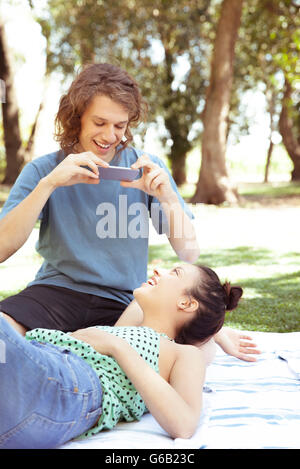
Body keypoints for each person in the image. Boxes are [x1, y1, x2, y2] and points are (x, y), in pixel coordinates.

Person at [0, 62, 199, 336]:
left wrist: (167, 199)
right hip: (55, 292)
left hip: (124, 303)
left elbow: (189, 253)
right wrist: (49, 185)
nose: (110, 136)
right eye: (99, 123)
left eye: (120, 125)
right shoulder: (44, 170)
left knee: (172, 348)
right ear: (77, 117)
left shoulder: (146, 168)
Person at [0, 262, 244, 449]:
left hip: (65, 386)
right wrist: (218, 330)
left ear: (188, 304)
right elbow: (140, 304)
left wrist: (118, 347)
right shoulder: (128, 325)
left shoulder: (183, 354)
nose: (158, 270)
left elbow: (185, 424)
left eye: (175, 273)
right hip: (40, 367)